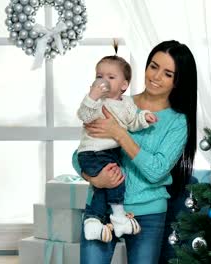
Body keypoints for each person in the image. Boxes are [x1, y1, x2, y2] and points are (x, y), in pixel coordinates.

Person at [72, 40, 197, 264]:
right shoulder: (116, 102)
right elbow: (81, 152)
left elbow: (157, 171)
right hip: (100, 206)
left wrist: (120, 134)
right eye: (153, 66)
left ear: (178, 81)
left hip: (148, 212)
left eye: (168, 73)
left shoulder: (178, 122)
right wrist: (94, 178)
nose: (156, 76)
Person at [77, 55, 158, 242]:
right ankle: (118, 217)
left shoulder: (128, 103)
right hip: (92, 152)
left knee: (105, 187)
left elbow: (132, 122)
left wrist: (144, 118)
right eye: (99, 76)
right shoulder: (96, 101)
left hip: (110, 152)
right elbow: (84, 115)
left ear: (124, 85)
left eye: (111, 77)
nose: (103, 81)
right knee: (116, 180)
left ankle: (93, 222)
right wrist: (92, 97)